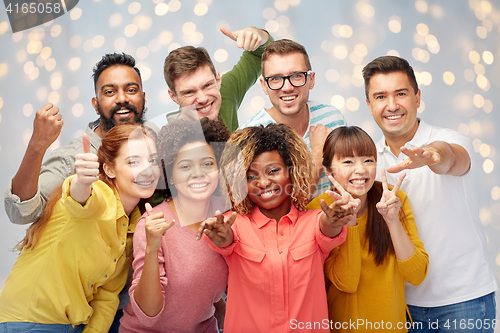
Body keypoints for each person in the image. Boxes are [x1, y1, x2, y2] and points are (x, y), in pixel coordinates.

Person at [4, 53, 147, 332]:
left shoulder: (148, 151)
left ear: (142, 96)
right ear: (96, 104)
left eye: (131, 89)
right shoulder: (74, 157)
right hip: (42, 315)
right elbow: (20, 212)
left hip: (103, 311)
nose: (122, 98)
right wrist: (37, 146)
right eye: (110, 92)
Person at [363, 55, 497, 332]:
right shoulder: (369, 161)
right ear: (369, 104)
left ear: (417, 97)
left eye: (401, 93)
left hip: (463, 301)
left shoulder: (452, 139)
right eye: (380, 96)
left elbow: (452, 158)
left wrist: (435, 156)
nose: (391, 105)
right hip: (401, 305)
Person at [0, 124, 160, 333]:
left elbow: (108, 297)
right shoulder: (98, 193)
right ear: (109, 169)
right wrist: (82, 181)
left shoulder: (134, 225)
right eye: (133, 161)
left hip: (74, 326)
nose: (147, 169)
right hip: (28, 321)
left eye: (153, 160)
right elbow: (79, 200)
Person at [198, 123, 349, 332]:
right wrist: (221, 236)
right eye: (251, 176)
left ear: (292, 171)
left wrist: (332, 222)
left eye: (273, 171)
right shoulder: (233, 224)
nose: (262, 182)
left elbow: (326, 230)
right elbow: (227, 240)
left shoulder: (314, 221)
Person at [306, 126, 429, 332]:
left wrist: (392, 221)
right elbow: (346, 283)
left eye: (368, 160)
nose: (361, 170)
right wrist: (350, 222)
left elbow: (417, 275)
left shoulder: (392, 199)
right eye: (348, 162)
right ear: (328, 171)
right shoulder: (320, 209)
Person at [119, 118, 231, 333]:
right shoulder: (152, 224)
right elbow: (148, 315)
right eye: (185, 166)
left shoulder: (229, 215)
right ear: (171, 175)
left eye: (207, 163)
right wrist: (152, 247)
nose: (198, 172)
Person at [239, 39, 346, 197]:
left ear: (311, 79)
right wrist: (317, 154)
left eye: (296, 76)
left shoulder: (333, 118)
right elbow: (278, 208)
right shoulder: (250, 137)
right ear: (264, 86)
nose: (287, 87)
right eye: (275, 79)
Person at [162, 26, 273, 132]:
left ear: (218, 80)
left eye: (207, 85)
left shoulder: (225, 91)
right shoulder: (171, 143)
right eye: (189, 92)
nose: (203, 99)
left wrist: (254, 34)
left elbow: (264, 53)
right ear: (173, 96)